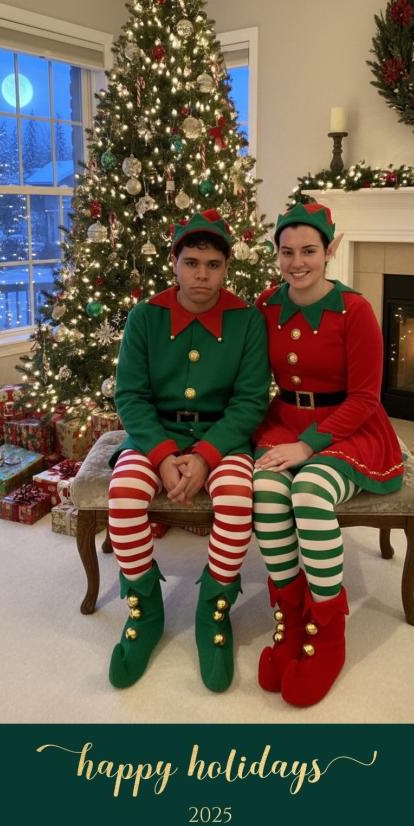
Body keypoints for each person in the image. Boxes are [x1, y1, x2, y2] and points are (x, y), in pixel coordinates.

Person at [107, 209, 270, 693]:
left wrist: (205, 455)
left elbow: (250, 401)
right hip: (154, 435)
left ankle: (213, 610)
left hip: (223, 438)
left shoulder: (247, 320)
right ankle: (144, 609)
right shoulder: (145, 316)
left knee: (237, 500)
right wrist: (161, 456)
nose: (202, 275)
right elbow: (130, 395)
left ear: (226, 268)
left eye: (213, 265)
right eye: (192, 263)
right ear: (175, 263)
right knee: (123, 495)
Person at [252, 202, 404, 707]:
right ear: (276, 253)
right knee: (266, 489)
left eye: (309, 251)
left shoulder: (354, 310)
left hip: (348, 428)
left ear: (329, 250)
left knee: (310, 492)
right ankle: (291, 619)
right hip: (284, 421)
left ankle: (329, 630)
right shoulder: (266, 305)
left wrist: (308, 446)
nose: (297, 262)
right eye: (287, 252)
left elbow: (366, 398)